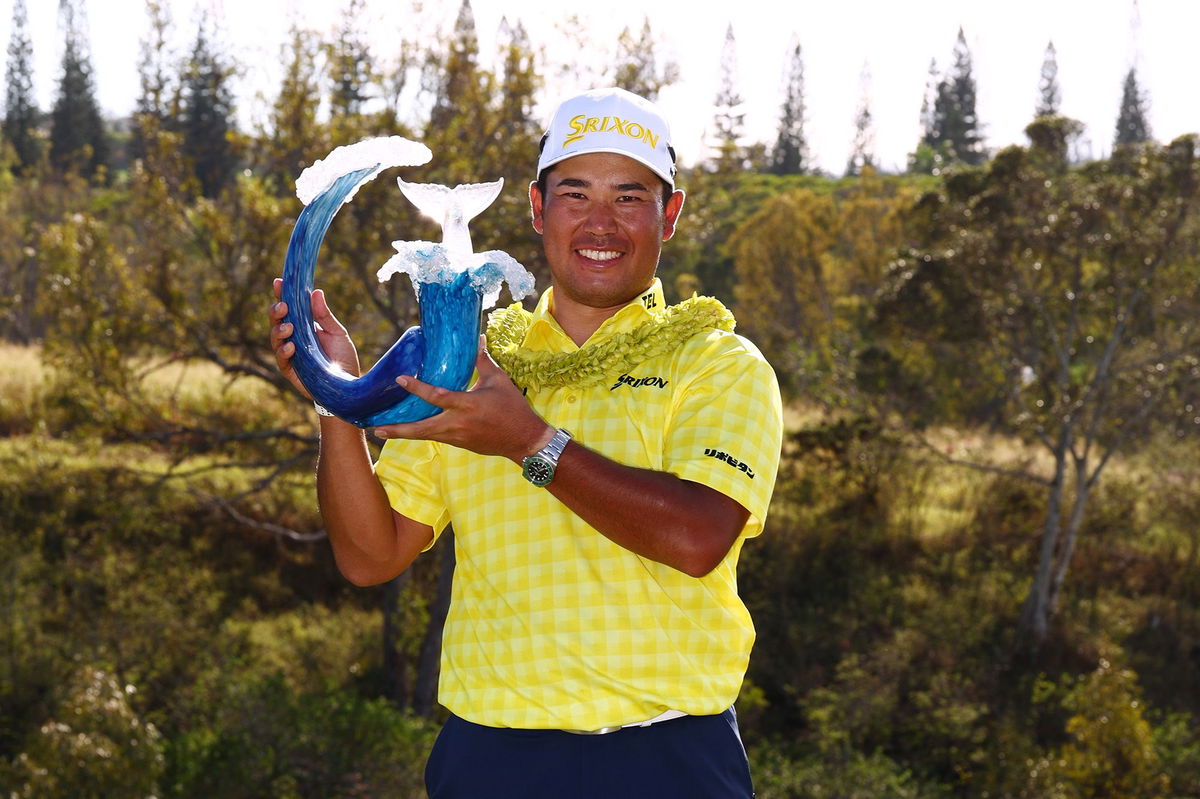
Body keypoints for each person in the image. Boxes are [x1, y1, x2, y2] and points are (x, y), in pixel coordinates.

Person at [268, 86, 783, 799]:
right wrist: (337, 399)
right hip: (492, 761)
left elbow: (697, 536)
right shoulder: (469, 367)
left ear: (669, 215)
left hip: (671, 760)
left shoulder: (718, 363)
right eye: (576, 194)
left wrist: (526, 439)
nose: (600, 222)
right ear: (538, 210)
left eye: (629, 197)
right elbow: (369, 553)